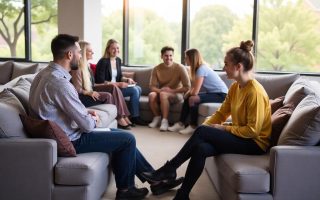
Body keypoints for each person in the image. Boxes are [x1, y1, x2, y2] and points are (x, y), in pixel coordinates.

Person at [29, 34, 183, 200]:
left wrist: (85, 112)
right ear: (69, 55)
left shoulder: (43, 74)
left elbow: (57, 108)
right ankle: (126, 190)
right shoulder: (60, 83)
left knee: (117, 134)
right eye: (79, 52)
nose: (81, 56)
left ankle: (155, 181)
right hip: (71, 140)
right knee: (127, 139)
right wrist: (92, 119)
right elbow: (87, 126)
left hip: (63, 132)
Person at [141, 40, 272, 200]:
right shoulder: (235, 87)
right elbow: (222, 113)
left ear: (238, 66)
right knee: (201, 148)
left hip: (255, 143)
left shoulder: (255, 92)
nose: (223, 68)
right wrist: (206, 129)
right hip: (242, 135)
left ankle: (169, 169)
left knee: (202, 132)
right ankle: (182, 195)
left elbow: (253, 131)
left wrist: (222, 129)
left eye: (226, 64)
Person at [70, 40, 132, 129]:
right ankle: (119, 117)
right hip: (83, 96)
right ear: (83, 52)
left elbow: (92, 84)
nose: (93, 53)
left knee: (113, 87)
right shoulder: (78, 69)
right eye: (90, 51)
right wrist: (90, 93)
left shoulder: (87, 66)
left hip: (90, 89)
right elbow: (78, 89)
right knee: (108, 95)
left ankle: (122, 116)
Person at [168, 48, 228, 135]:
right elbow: (193, 87)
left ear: (192, 58)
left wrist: (188, 94)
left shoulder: (201, 69)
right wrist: (187, 94)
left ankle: (193, 126)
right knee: (189, 97)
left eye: (186, 58)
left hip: (222, 95)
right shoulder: (197, 69)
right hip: (214, 93)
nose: (185, 60)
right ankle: (181, 123)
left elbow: (195, 92)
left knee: (192, 99)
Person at [95, 39, 147, 126]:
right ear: (108, 49)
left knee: (138, 88)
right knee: (134, 90)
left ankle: (134, 116)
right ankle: (135, 117)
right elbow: (101, 81)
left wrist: (127, 79)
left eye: (118, 48)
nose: (116, 51)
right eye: (113, 48)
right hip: (109, 88)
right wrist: (118, 84)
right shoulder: (103, 62)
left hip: (117, 86)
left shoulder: (118, 60)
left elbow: (119, 77)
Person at [148, 46, 191, 131]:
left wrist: (171, 90)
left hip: (177, 94)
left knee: (163, 94)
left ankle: (165, 121)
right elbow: (151, 86)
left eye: (170, 55)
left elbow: (187, 87)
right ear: (162, 56)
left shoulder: (180, 68)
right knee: (151, 95)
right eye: (166, 56)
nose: (168, 58)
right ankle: (157, 117)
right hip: (162, 92)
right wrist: (160, 90)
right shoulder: (156, 69)